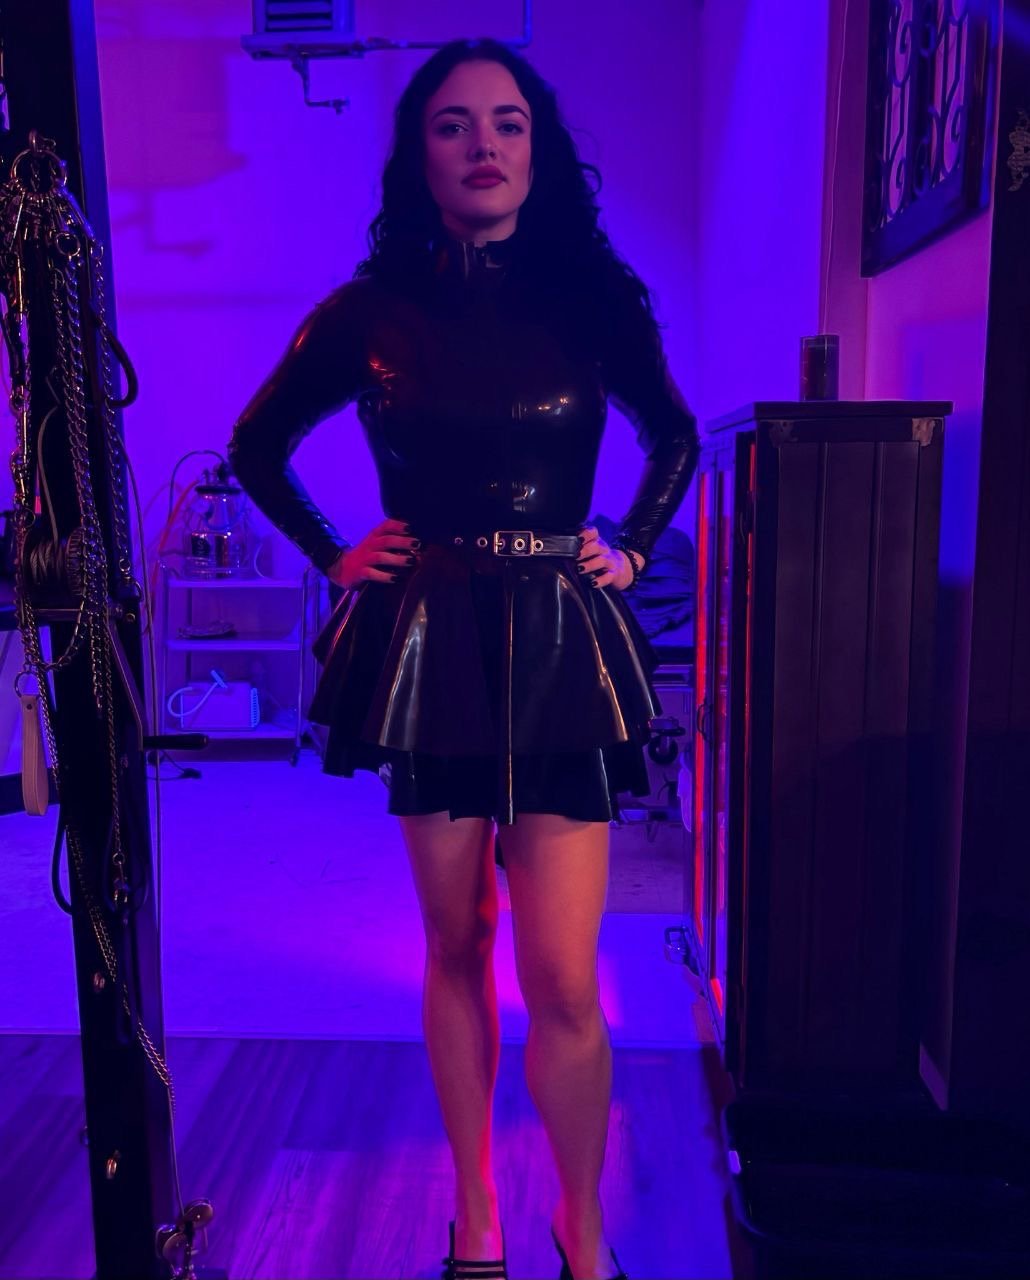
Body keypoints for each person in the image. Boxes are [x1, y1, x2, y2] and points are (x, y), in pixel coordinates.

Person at [228, 37, 699, 1280]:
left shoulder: (593, 299)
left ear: (537, 149)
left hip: (558, 642)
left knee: (564, 977)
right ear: (419, 154)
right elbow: (255, 445)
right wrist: (335, 552)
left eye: (506, 122)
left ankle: (580, 1225)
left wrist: (632, 544)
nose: (482, 144)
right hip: (430, 641)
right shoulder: (365, 311)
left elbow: (674, 435)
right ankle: (477, 1210)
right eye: (452, 123)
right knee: (453, 942)